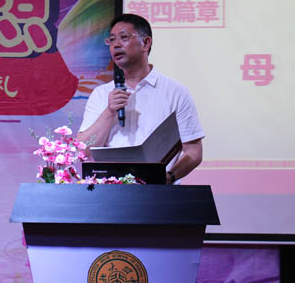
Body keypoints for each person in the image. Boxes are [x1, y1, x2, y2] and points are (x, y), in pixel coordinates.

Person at [78, 13, 204, 184]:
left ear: (146, 43)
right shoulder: (100, 94)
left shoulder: (175, 92)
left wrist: (169, 177)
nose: (116, 45)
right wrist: (109, 112)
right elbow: (83, 150)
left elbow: (193, 150)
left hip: (159, 191)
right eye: (112, 40)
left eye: (124, 37)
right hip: (111, 191)